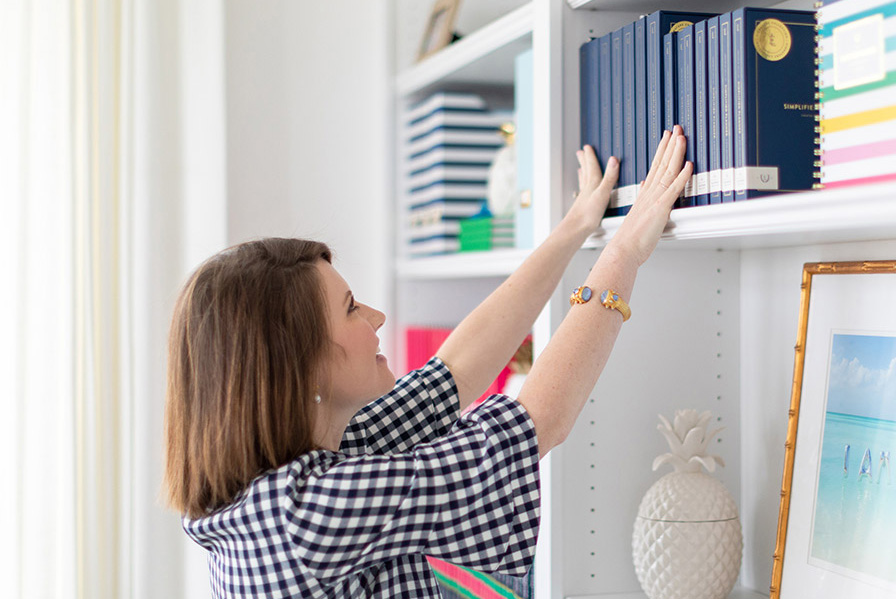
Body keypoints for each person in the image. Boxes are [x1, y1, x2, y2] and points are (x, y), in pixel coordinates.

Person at [163, 127, 694, 597]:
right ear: (299, 367)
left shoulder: (298, 467)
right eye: (350, 309)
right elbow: (533, 426)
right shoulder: (302, 516)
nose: (376, 316)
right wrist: (624, 252)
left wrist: (576, 226)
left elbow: (456, 370)